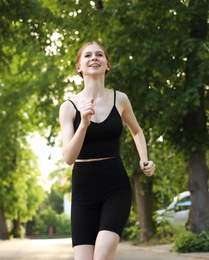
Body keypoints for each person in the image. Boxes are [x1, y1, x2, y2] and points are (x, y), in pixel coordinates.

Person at [59, 41, 155, 260]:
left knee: (101, 256)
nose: (94, 58)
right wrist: (83, 124)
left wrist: (144, 159)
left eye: (99, 55)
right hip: (83, 190)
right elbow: (68, 157)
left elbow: (137, 132)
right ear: (79, 67)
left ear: (107, 65)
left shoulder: (119, 99)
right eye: (88, 55)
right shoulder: (68, 107)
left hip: (115, 187)